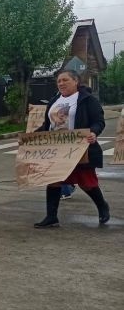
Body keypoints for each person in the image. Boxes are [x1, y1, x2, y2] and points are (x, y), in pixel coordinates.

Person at [33, 69, 109, 227]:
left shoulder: (87, 99)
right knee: (53, 180)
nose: (61, 83)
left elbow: (98, 121)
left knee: (86, 182)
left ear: (76, 81)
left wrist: (94, 132)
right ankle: (51, 217)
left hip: (80, 149)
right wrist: (31, 138)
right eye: (59, 81)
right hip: (57, 149)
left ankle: (102, 207)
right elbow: (48, 126)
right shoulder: (55, 100)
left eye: (65, 80)